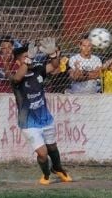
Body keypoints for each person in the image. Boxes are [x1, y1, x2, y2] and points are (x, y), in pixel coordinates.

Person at [10, 38, 73, 185]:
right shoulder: (15, 78)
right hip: (28, 123)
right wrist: (28, 60)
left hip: (45, 118)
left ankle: (58, 169)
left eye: (30, 55)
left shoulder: (38, 70)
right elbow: (18, 77)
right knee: (43, 153)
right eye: (26, 57)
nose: (30, 58)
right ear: (18, 62)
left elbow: (54, 66)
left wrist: (53, 55)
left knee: (52, 147)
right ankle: (46, 174)